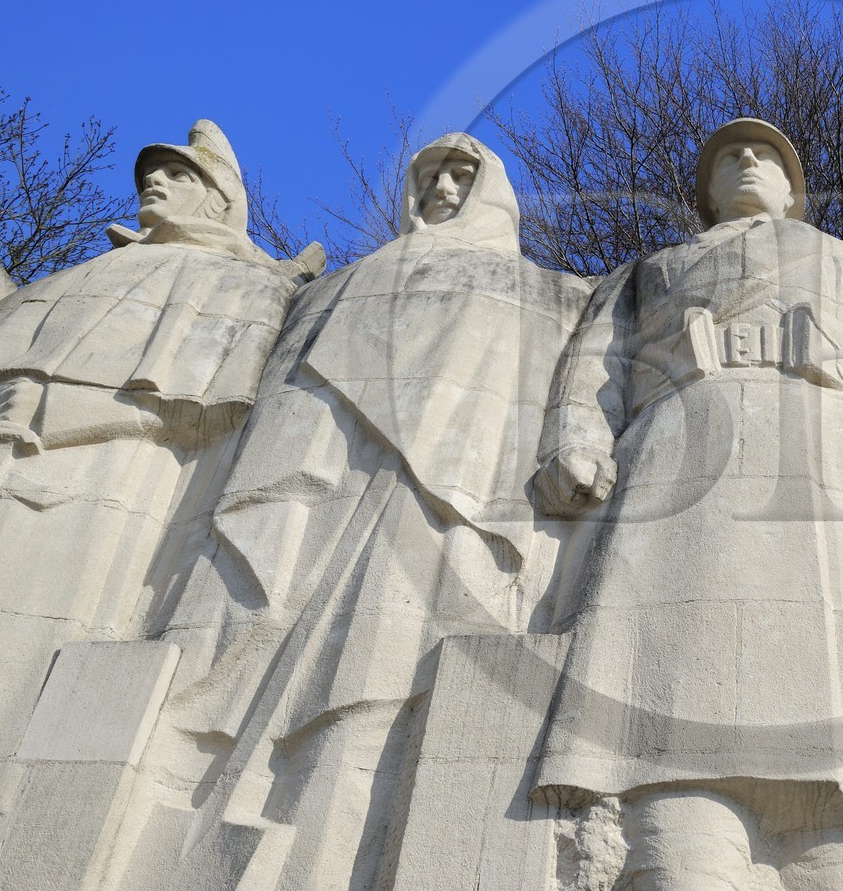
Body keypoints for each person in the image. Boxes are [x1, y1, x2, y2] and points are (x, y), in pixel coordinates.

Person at [122, 133, 592, 890]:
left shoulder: (547, 290)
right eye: (431, 175)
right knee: (283, 658)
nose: (442, 188)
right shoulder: (355, 277)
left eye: (461, 176)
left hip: (447, 499)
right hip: (330, 484)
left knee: (385, 668)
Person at [533, 118, 843, 890]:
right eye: (730, 155)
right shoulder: (648, 270)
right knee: (665, 673)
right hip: (680, 438)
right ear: (703, 192)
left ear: (793, 186)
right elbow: (592, 367)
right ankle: (675, 832)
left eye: (763, 153)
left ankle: (842, 849)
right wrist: (576, 442)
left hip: (834, 444)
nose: (745, 161)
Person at [0, 121, 308, 811]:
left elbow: (197, 409)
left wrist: (52, 417)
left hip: (92, 489)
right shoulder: (90, 270)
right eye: (154, 172)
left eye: (181, 176)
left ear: (220, 199)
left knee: (5, 683)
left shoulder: (244, 285)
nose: (155, 181)